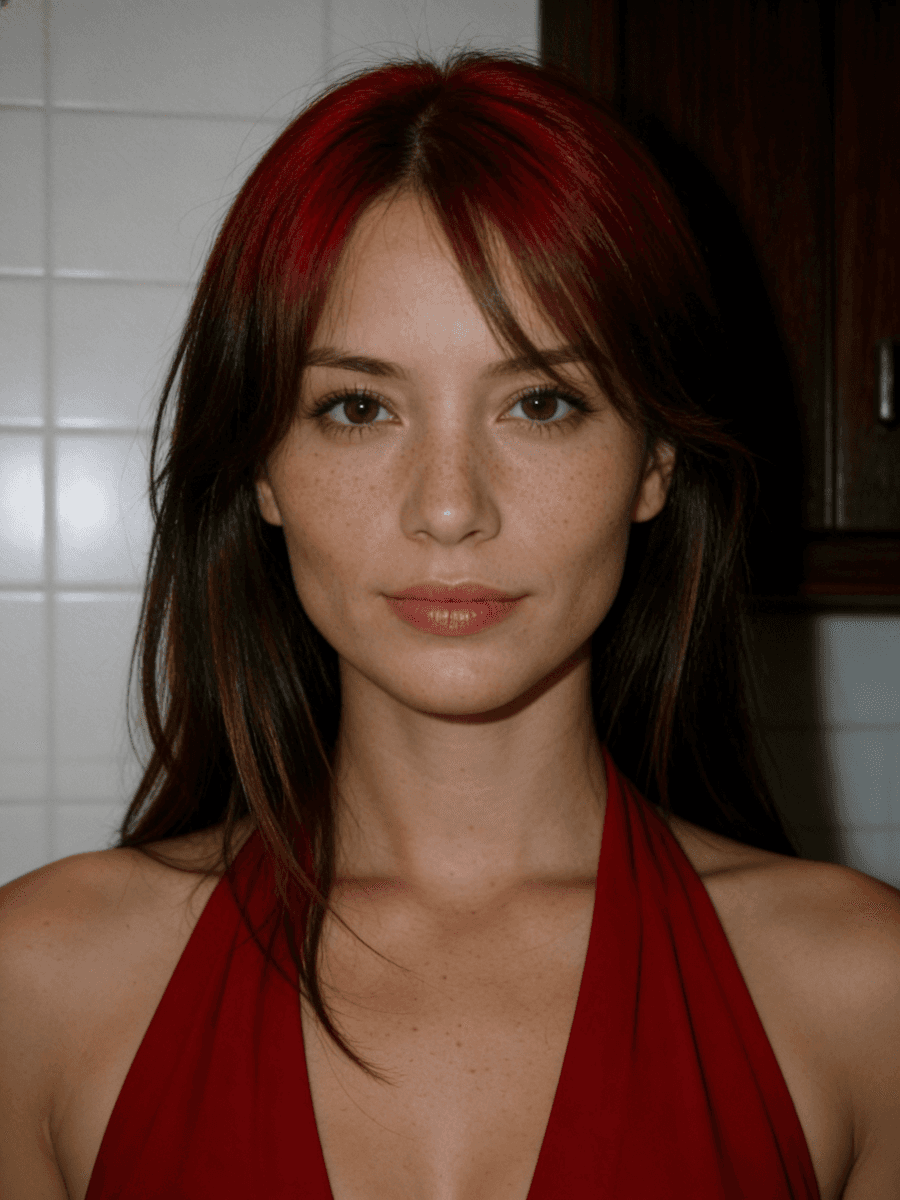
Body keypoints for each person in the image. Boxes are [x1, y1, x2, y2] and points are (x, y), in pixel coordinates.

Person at [1, 49, 898, 1200]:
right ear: (263, 468)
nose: (448, 508)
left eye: (541, 402)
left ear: (654, 462)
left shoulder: (861, 998)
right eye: (358, 407)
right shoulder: (42, 986)